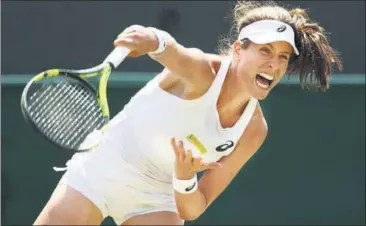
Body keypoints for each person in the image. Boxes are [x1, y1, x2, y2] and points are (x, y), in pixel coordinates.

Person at [34, 1, 342, 225]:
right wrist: (150, 38)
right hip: (105, 166)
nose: (274, 64)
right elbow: (172, 50)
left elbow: (194, 208)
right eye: (264, 51)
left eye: (283, 57)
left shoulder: (253, 130)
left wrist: (184, 177)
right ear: (237, 49)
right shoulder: (201, 72)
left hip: (158, 196)